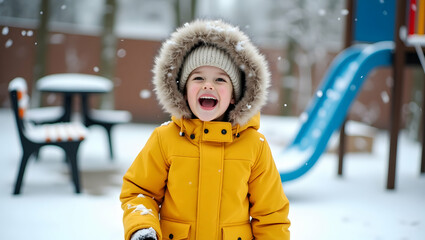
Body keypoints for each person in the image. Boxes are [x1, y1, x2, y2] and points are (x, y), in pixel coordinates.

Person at [120, 19, 290, 240]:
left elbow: (271, 214)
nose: (208, 86)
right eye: (198, 78)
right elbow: (140, 192)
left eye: (220, 79)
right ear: (183, 91)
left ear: (234, 97)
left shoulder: (254, 146)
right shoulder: (165, 139)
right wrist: (142, 226)